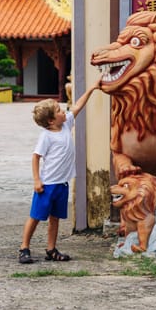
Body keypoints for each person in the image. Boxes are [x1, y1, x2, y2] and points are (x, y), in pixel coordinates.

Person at [18, 78, 102, 264]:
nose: (63, 111)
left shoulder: (66, 124)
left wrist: (92, 88)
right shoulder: (46, 137)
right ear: (50, 120)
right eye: (58, 111)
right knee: (36, 217)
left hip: (62, 184)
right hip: (47, 185)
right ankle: (24, 247)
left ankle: (51, 249)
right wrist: (37, 180)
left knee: (55, 218)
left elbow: (78, 106)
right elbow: (35, 157)